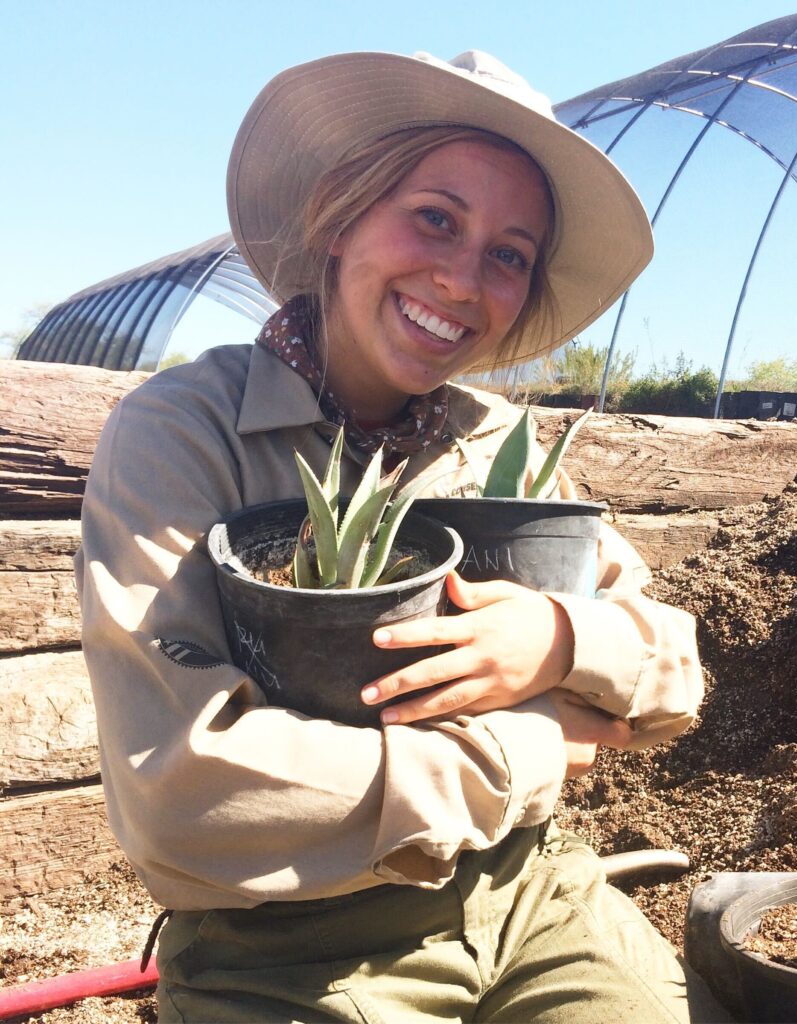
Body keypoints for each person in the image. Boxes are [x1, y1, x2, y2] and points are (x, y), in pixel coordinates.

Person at [75, 49, 705, 1023]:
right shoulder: (185, 434)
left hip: (530, 897)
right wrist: (526, 748)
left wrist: (557, 637)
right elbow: (180, 791)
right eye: (434, 218)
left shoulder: (498, 447)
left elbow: (672, 668)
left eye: (507, 253)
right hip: (287, 946)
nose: (459, 277)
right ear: (338, 214)